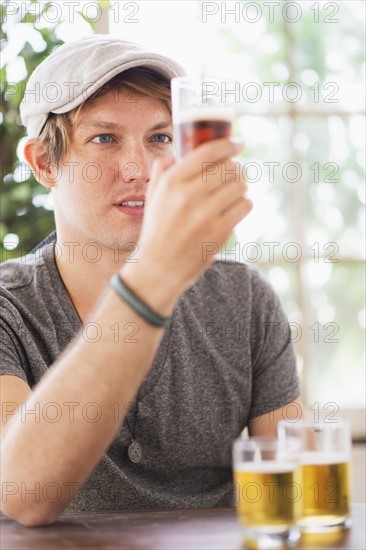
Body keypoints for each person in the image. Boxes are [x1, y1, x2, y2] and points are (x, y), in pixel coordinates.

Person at [0, 35, 303, 527]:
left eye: (160, 138)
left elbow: (296, 490)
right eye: (104, 138)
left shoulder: (244, 298)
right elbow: (24, 494)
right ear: (43, 163)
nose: (139, 169)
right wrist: (153, 275)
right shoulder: (9, 309)